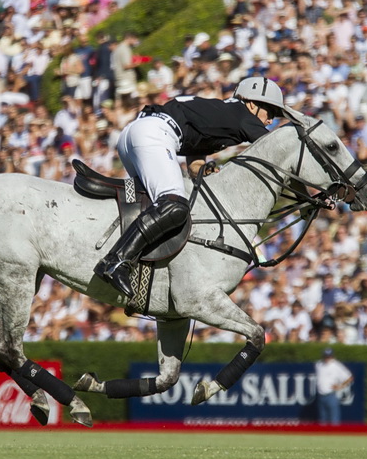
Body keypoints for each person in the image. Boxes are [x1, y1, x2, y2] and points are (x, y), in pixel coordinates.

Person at [94, 76, 286, 297]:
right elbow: (278, 148)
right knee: (174, 205)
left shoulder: (220, 112)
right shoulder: (243, 114)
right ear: (252, 103)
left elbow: (194, 162)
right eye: (269, 111)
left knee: (157, 208)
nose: (270, 119)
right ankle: (116, 261)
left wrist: (203, 170)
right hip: (154, 134)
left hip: (135, 135)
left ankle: (145, 275)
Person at [314, 347, 353, 426]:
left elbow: (349, 377)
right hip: (320, 396)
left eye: (329, 356)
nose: (327, 358)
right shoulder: (319, 364)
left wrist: (340, 386)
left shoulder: (336, 365)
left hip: (331, 395)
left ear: (332, 356)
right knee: (322, 420)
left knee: (334, 421)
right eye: (326, 356)